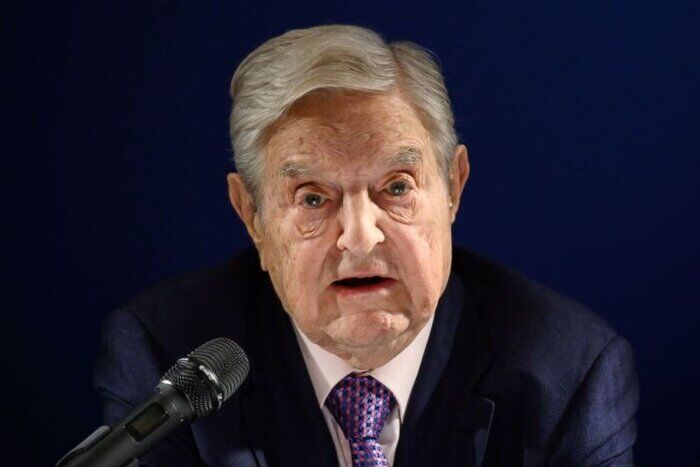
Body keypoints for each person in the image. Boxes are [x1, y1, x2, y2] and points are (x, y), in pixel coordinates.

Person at [94, 24, 639, 466]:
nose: (359, 236)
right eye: (313, 198)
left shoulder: (569, 374)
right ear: (252, 216)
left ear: (453, 187)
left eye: (397, 188)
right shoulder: (167, 358)